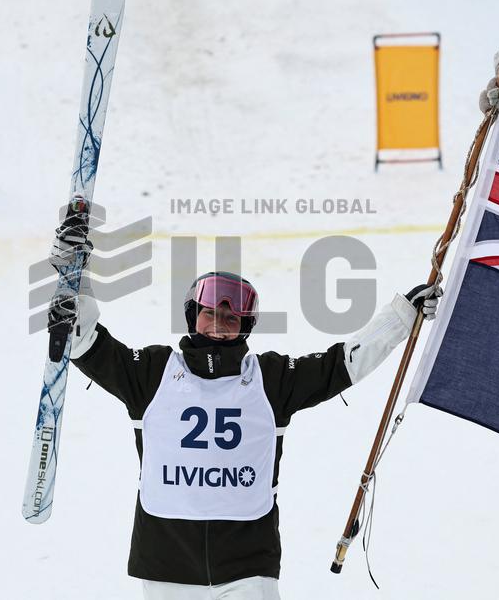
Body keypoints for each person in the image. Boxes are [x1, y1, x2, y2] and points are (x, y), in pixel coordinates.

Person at [48, 209, 440, 600]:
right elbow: (82, 340)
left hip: (248, 569)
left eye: (230, 317)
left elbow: (343, 365)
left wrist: (402, 317)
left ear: (245, 326)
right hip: (167, 566)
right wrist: (72, 271)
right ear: (192, 316)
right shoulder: (151, 374)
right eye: (209, 313)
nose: (219, 323)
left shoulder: (271, 379)